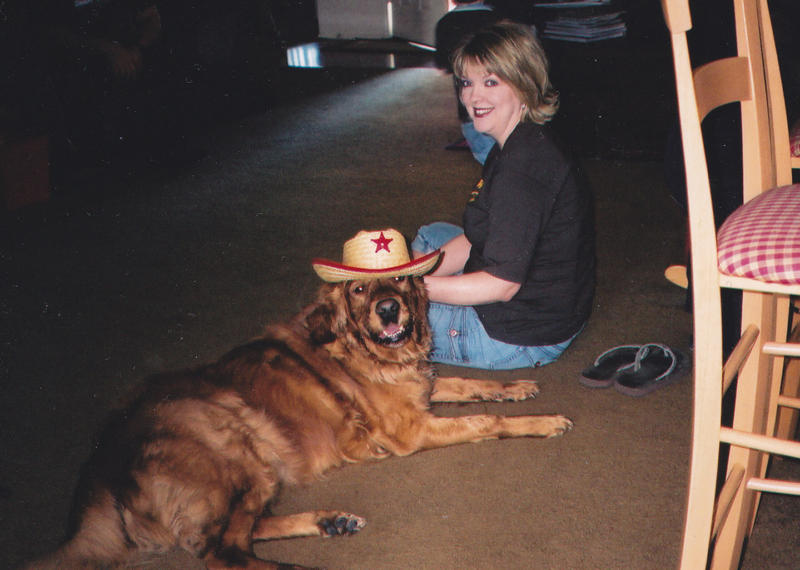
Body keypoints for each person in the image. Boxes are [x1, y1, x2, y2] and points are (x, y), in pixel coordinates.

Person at [412, 20, 595, 370]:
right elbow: (478, 235)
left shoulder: (521, 169)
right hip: (551, 305)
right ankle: (437, 287)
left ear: (524, 86)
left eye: (491, 82)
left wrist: (411, 287)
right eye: (467, 82)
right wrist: (412, 274)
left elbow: (502, 285)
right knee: (430, 236)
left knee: (365, 323)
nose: (473, 97)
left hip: (513, 335)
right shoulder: (518, 140)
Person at [434, 0, 500, 164]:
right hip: (499, 87)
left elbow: (443, 62)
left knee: (473, 124)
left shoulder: (445, 22)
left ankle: (490, 163)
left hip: (468, 95)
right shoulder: (498, 19)